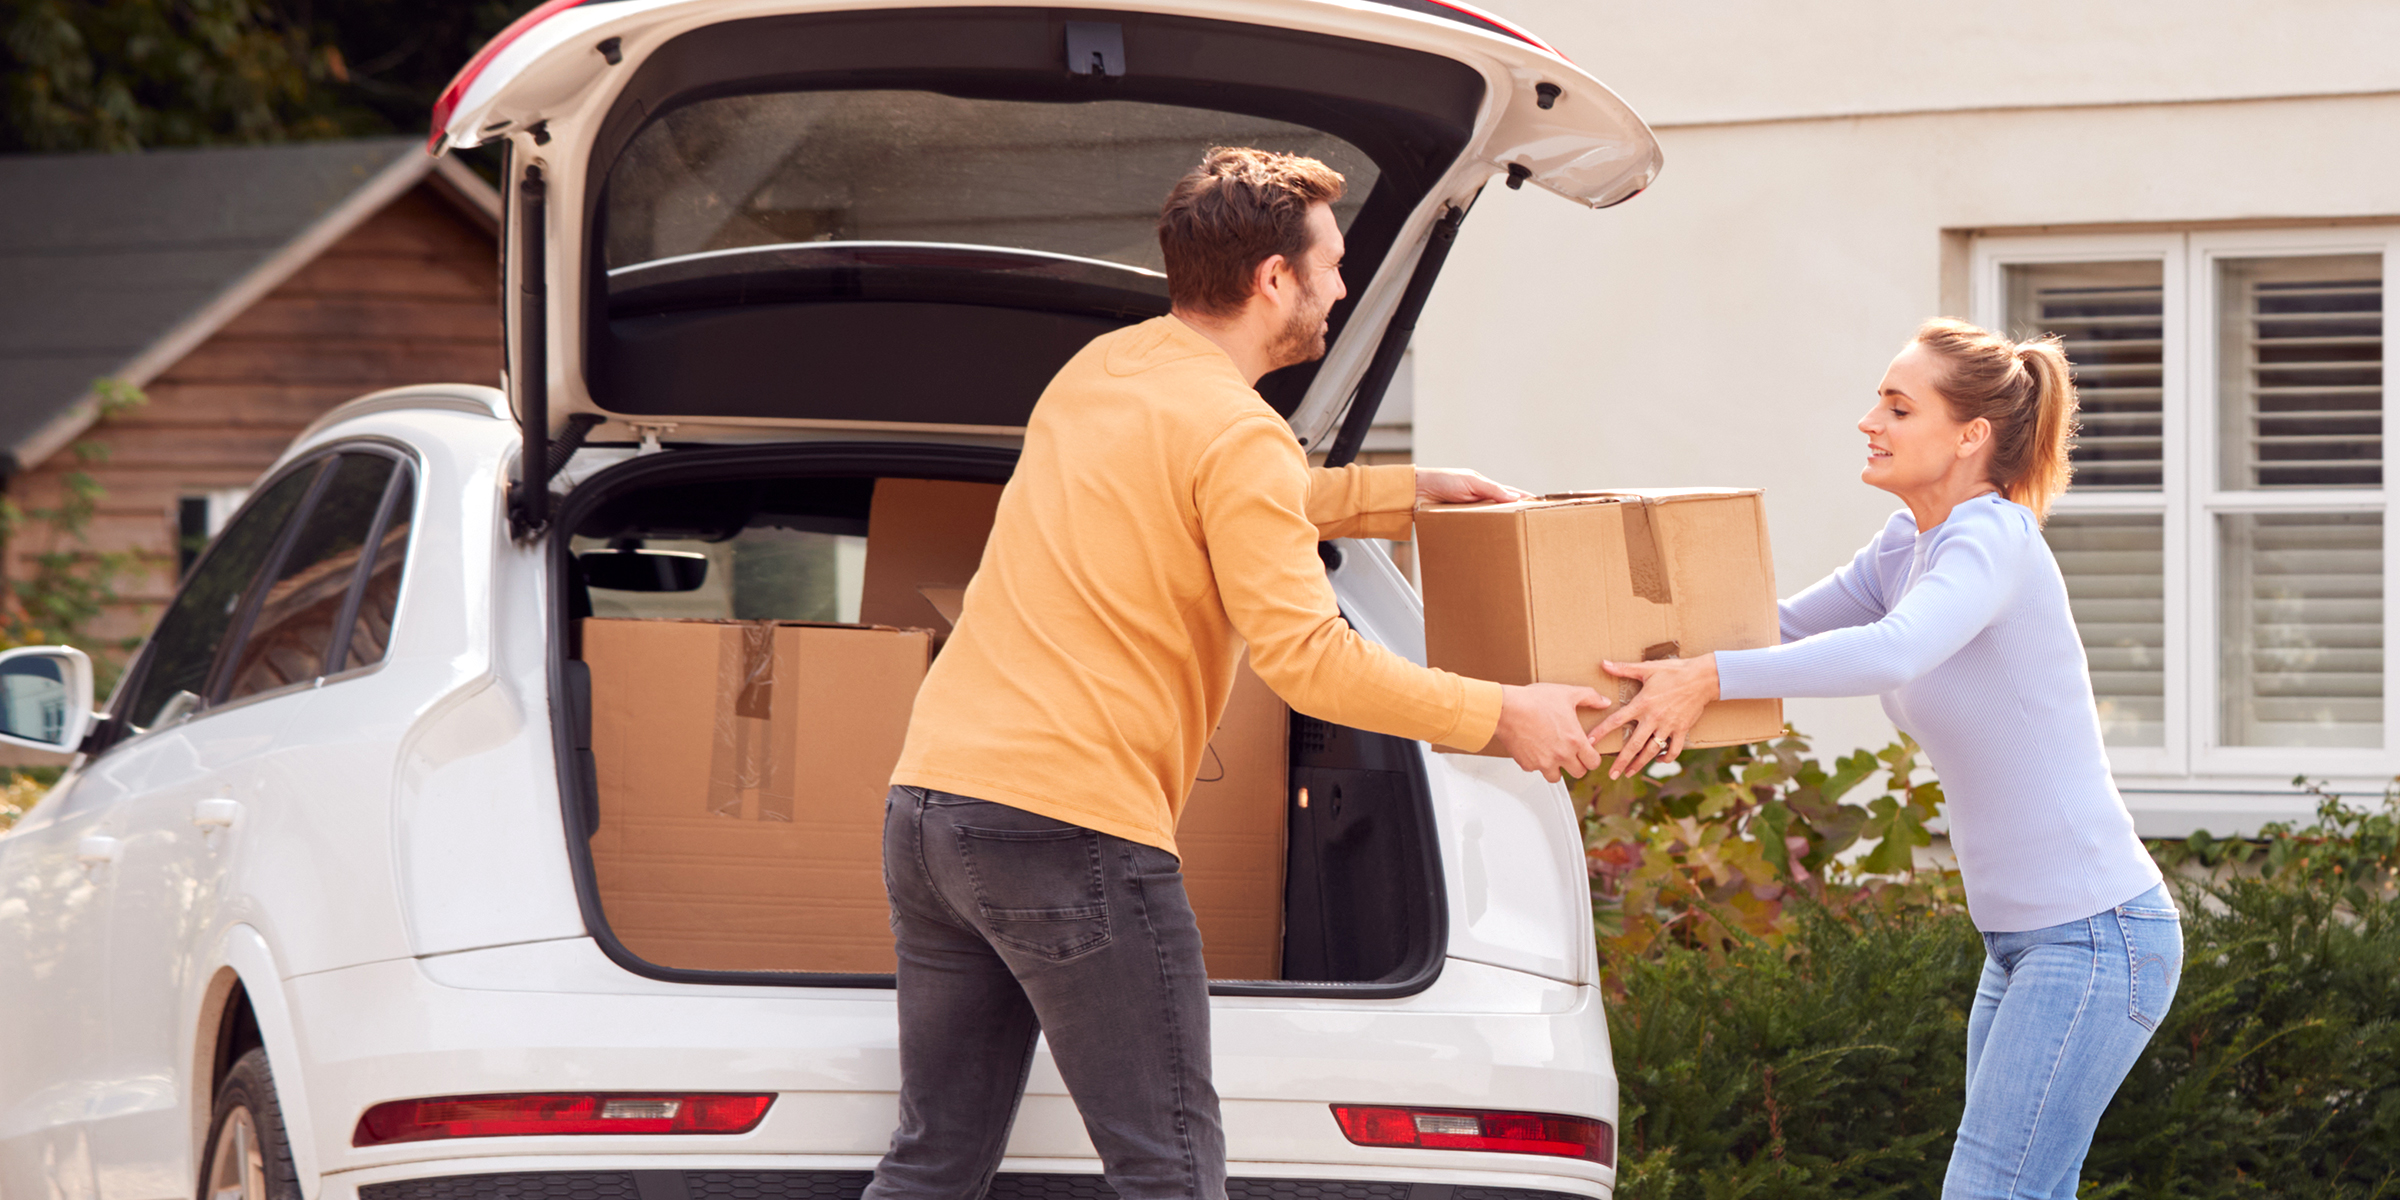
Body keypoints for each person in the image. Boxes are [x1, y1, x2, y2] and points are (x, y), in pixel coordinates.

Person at [865, 147, 1612, 1200]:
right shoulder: (1236, 433)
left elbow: (1214, 496)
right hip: (1069, 829)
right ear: (1275, 279)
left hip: (935, 808)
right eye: (1334, 266)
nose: (1343, 289)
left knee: (934, 1162)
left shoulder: (1107, 369)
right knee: (1168, 1168)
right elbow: (1312, 662)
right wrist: (1503, 716)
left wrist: (1401, 493)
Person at [1593, 318, 2184, 1199]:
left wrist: (1708, 675)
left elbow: (1891, 652)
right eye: (1878, 400)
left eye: (1899, 406)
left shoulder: (1994, 541)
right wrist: (1615, 664)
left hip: (2095, 937)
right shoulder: (1905, 547)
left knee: (1994, 1190)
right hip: (2025, 941)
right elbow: (1773, 630)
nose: (1870, 420)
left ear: (1970, 436)